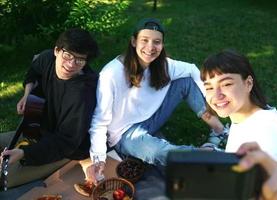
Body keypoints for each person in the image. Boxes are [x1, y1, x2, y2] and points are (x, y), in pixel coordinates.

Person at [86, 18, 228, 183]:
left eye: (157, 42)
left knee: (185, 81)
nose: (150, 47)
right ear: (133, 41)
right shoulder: (111, 74)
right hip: (125, 133)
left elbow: (191, 69)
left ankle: (219, 130)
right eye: (144, 40)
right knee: (156, 152)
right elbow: (99, 120)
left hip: (152, 116)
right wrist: (98, 159)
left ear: (162, 45)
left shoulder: (161, 64)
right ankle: (203, 155)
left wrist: (210, 98)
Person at [201, 50, 277, 199]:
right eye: (209, 87)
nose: (217, 94)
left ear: (248, 83)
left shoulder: (266, 132)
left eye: (226, 84)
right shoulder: (244, 117)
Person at [0, 28, 99, 188]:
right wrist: (27, 94)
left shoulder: (82, 94)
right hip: (37, 130)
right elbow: (33, 71)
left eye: (80, 60)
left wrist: (25, 153)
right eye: (67, 55)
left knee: (4, 178)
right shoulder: (47, 58)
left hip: (68, 148)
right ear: (56, 51)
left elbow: (66, 142)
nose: (71, 64)